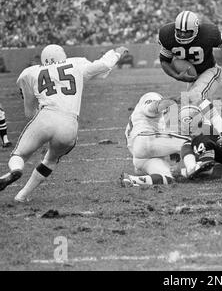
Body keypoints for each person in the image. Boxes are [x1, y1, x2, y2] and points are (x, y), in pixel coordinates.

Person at [0, 44, 128, 202]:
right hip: (69, 123)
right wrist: (116, 53)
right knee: (51, 160)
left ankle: (16, 170)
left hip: (45, 117)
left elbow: (29, 111)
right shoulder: (76, 63)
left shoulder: (30, 72)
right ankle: (22, 195)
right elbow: (103, 65)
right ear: (62, 55)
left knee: (19, 154)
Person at [158, 10, 222, 142]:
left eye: (187, 32)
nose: (182, 34)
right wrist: (177, 76)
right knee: (191, 111)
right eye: (179, 31)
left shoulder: (208, 34)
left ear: (196, 30)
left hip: (211, 71)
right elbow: (164, 61)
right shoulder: (166, 34)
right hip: (192, 78)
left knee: (195, 97)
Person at [120, 92, 214, 188]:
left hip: (141, 158)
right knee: (188, 141)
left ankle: (131, 179)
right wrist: (172, 102)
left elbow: (161, 143)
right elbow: (154, 106)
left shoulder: (159, 122)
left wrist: (172, 152)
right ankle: (192, 167)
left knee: (167, 178)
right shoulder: (152, 97)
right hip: (145, 139)